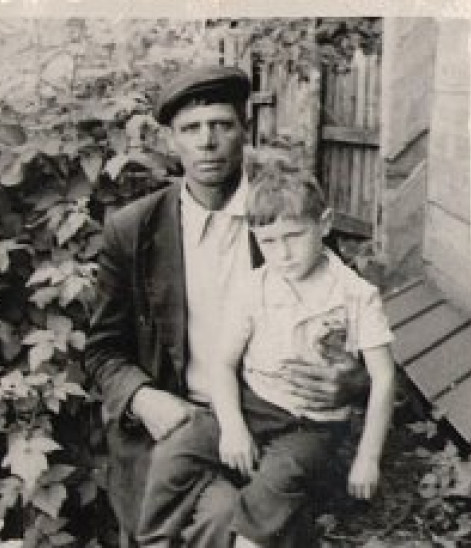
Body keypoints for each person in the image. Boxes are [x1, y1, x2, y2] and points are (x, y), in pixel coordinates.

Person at [85, 65, 369, 548]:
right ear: (171, 140)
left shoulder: (285, 218)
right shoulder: (133, 229)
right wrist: (143, 398)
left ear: (244, 129)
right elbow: (103, 350)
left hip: (273, 424)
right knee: (221, 520)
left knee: (246, 519)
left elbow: (354, 333)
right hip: (176, 425)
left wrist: (350, 379)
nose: (207, 142)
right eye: (191, 129)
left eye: (222, 125)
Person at [136, 162, 396, 547]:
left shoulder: (355, 295)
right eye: (269, 242)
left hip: (312, 423)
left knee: (280, 477)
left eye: (294, 236)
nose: (284, 254)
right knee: (177, 449)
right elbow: (223, 364)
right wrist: (233, 428)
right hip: (254, 404)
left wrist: (368, 457)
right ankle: (152, 540)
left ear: (324, 224)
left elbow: (384, 377)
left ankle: (248, 540)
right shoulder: (253, 287)